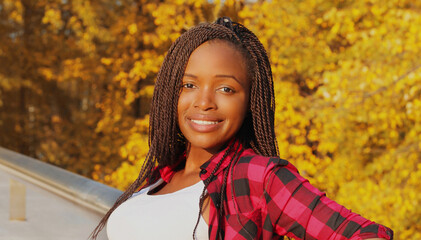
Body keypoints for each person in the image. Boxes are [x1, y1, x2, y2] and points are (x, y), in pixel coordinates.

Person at [90, 17, 393, 240]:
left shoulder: (257, 177)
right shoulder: (160, 178)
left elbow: (367, 235)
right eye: (189, 84)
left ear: (250, 101)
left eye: (225, 89)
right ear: (171, 92)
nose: (204, 102)